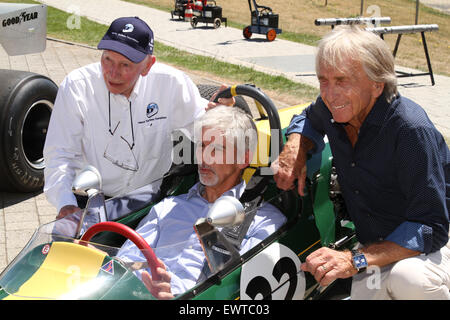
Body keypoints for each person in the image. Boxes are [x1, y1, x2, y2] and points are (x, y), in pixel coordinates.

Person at [271, 26, 450, 299]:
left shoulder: (410, 130)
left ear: (377, 84)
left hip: (431, 245)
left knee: (410, 280)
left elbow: (431, 227)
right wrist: (295, 146)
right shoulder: (336, 108)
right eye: (324, 81)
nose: (330, 94)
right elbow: (308, 117)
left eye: (342, 80)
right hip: (374, 246)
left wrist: (354, 260)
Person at [43, 17, 228, 219]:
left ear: (148, 65)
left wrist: (221, 115)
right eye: (107, 60)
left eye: (125, 65)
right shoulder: (77, 86)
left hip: (149, 200)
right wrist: (65, 203)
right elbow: (60, 154)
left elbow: (201, 127)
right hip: (92, 201)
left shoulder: (171, 83)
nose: (113, 73)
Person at [116, 106, 286, 299]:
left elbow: (245, 290)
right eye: (201, 146)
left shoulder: (261, 220)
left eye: (217, 149)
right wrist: (144, 283)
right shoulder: (169, 207)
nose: (204, 158)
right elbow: (128, 261)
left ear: (242, 159)